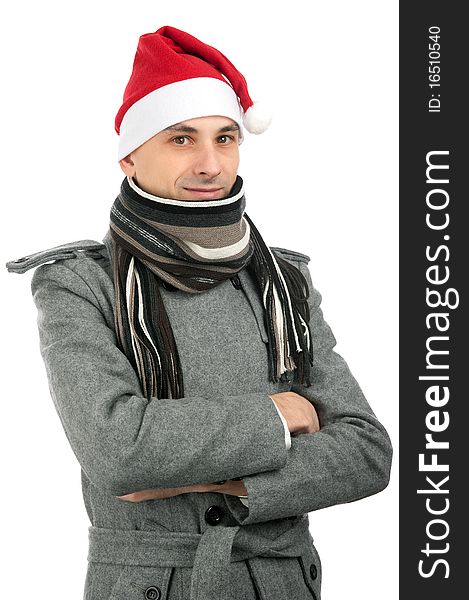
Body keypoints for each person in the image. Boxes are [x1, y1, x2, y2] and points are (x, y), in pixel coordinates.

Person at [5, 25, 392, 600]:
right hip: (151, 585)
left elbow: (367, 451)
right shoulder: (79, 282)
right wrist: (281, 414)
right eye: (181, 139)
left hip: (281, 582)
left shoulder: (284, 281)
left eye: (226, 138)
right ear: (131, 157)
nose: (211, 164)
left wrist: (217, 478)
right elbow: (119, 450)